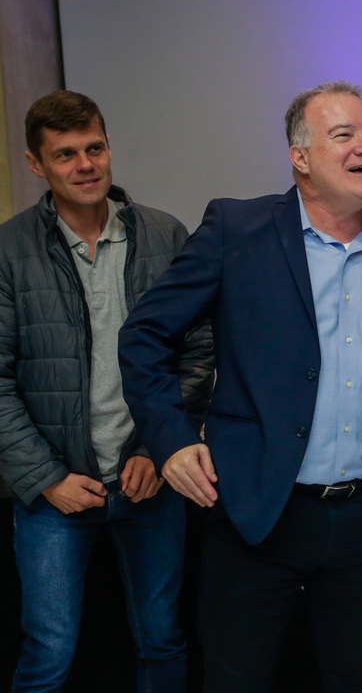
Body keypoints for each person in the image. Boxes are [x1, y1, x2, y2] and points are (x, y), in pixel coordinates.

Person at [118, 80, 362, 693]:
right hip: (257, 510)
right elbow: (144, 336)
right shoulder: (236, 229)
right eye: (344, 134)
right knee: (236, 680)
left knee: (361, 682)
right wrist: (170, 441)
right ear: (300, 157)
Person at [0, 91, 213, 692]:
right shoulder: (9, 250)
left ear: (109, 147)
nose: (85, 165)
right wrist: (46, 478)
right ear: (36, 163)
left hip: (151, 484)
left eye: (94, 148)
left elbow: (197, 353)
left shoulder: (165, 235)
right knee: (48, 653)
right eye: (65, 154)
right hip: (53, 492)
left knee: (162, 640)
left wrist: (157, 448)